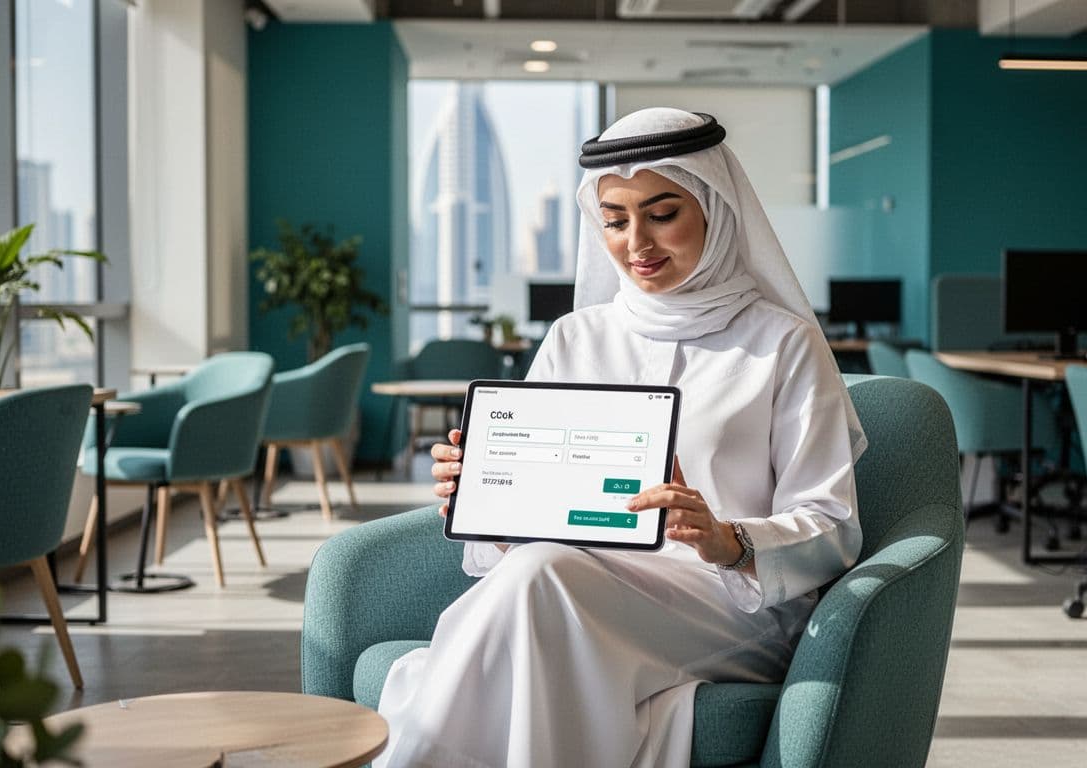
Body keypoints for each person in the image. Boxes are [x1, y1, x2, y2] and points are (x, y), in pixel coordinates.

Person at [372, 107, 867, 768]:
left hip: (732, 609)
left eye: (663, 213)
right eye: (615, 219)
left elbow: (834, 526)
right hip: (569, 586)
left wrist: (730, 539)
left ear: (715, 207)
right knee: (538, 571)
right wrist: (485, 503)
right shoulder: (576, 338)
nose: (638, 241)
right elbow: (533, 527)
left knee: (540, 579)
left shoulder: (783, 343)